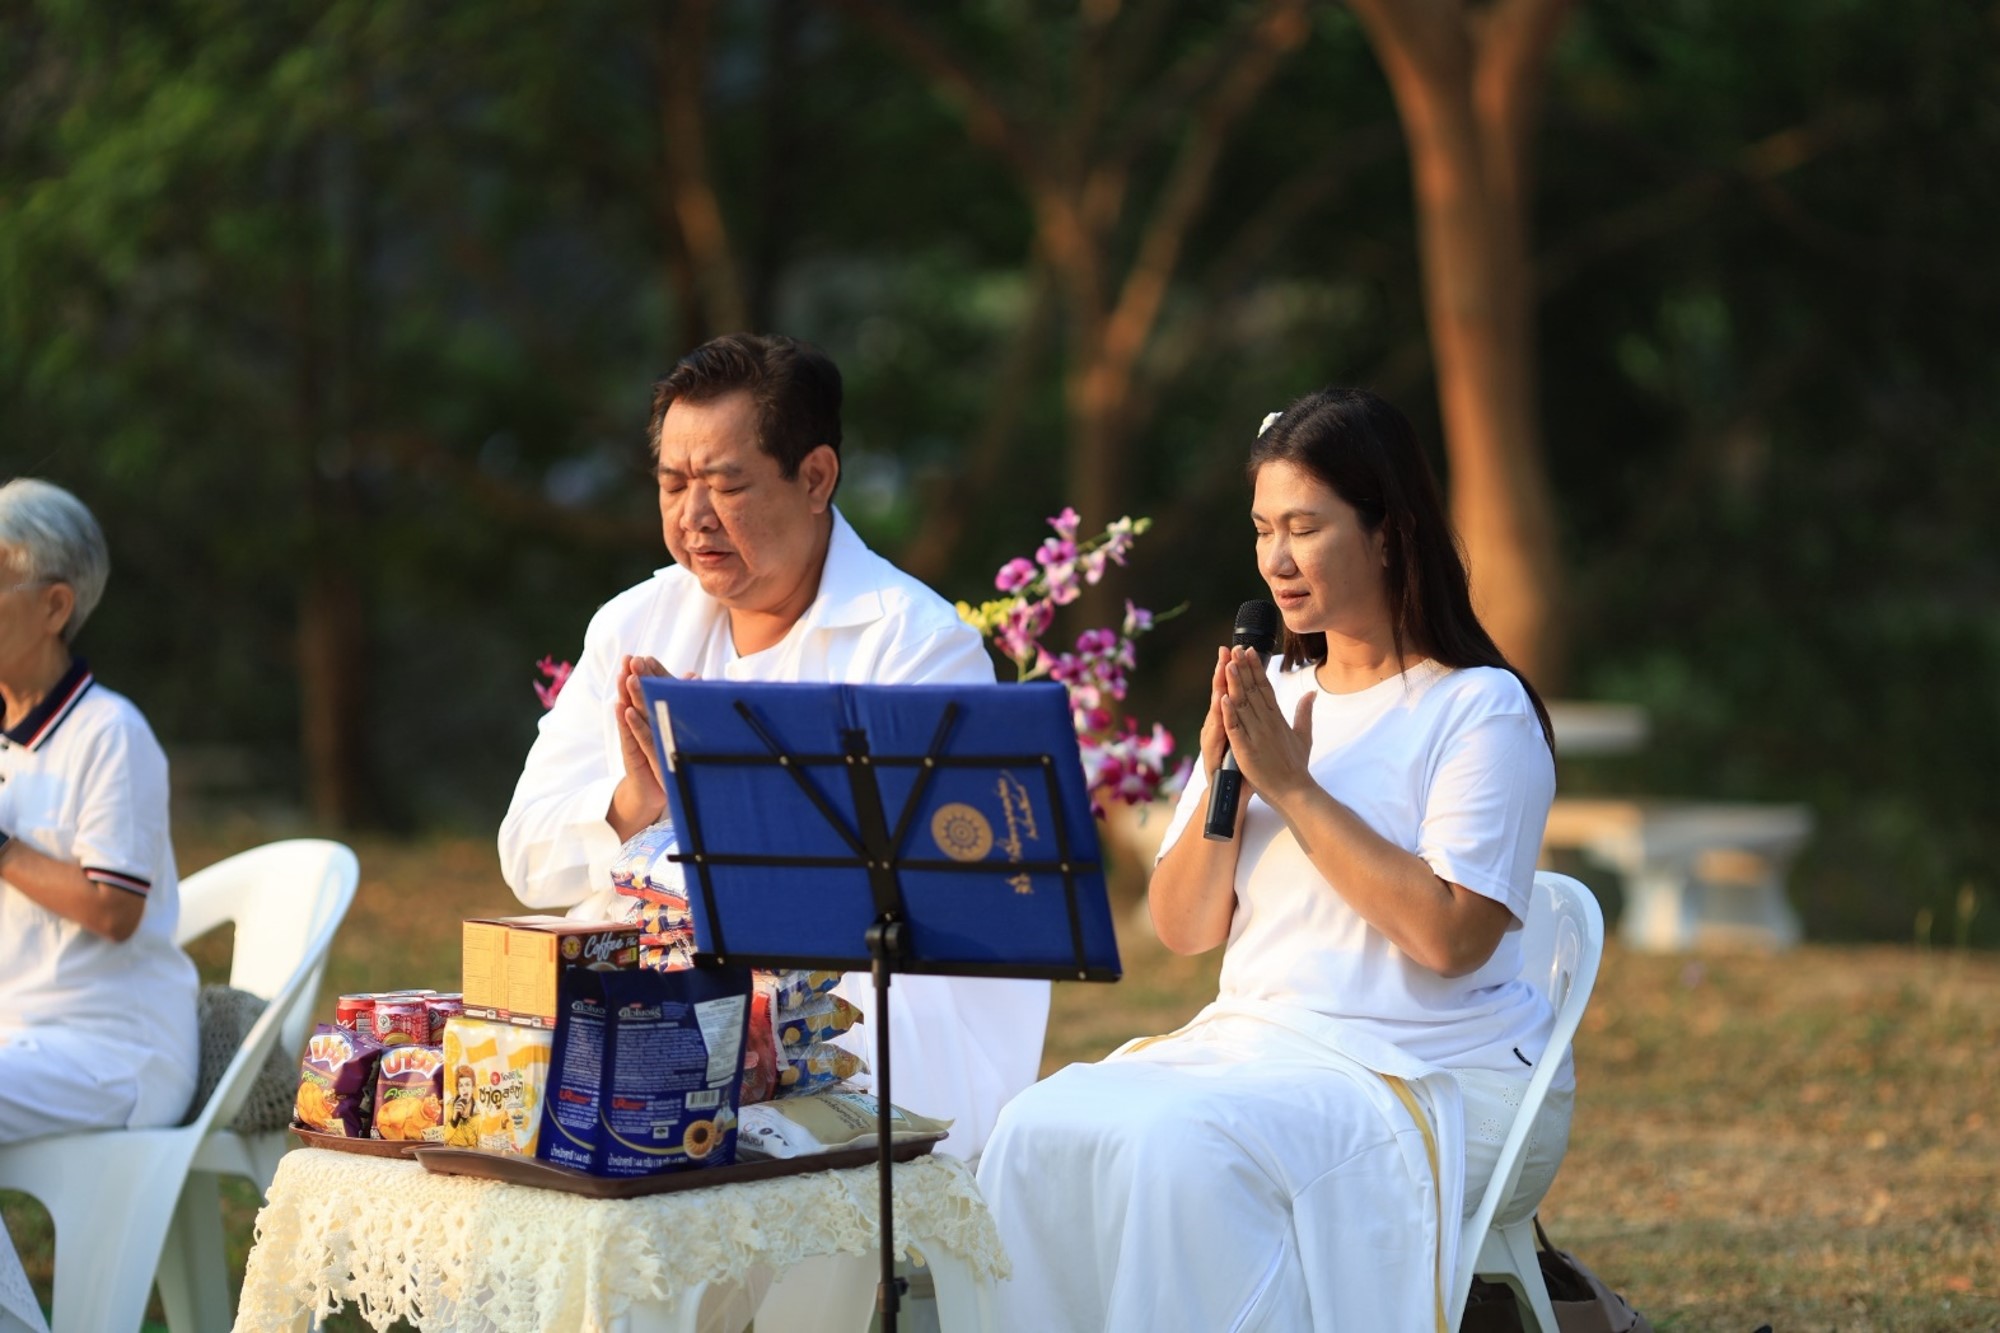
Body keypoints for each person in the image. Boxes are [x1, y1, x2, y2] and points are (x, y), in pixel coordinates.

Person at [976, 388, 1570, 1330]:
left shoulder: (1478, 708)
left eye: (1305, 526)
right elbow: (1183, 927)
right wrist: (1228, 778)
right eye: (1263, 529)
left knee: (1182, 1147)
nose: (1276, 559)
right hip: (1255, 1047)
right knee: (1035, 1127)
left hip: (1428, 1071)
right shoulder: (1268, 691)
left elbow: (1452, 938)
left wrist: (1295, 786)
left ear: (1387, 532)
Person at [498, 333, 1049, 1159]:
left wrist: (722, 796)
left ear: (816, 477)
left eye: (726, 485)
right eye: (673, 484)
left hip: (853, 1019)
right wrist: (638, 801)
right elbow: (527, 857)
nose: (693, 516)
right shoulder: (635, 623)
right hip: (648, 1007)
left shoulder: (916, 645)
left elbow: (935, 902)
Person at [0, 479, 200, 1140]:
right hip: (18, 1041)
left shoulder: (110, 732)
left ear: (54, 606)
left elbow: (115, 910)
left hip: (113, 1049)